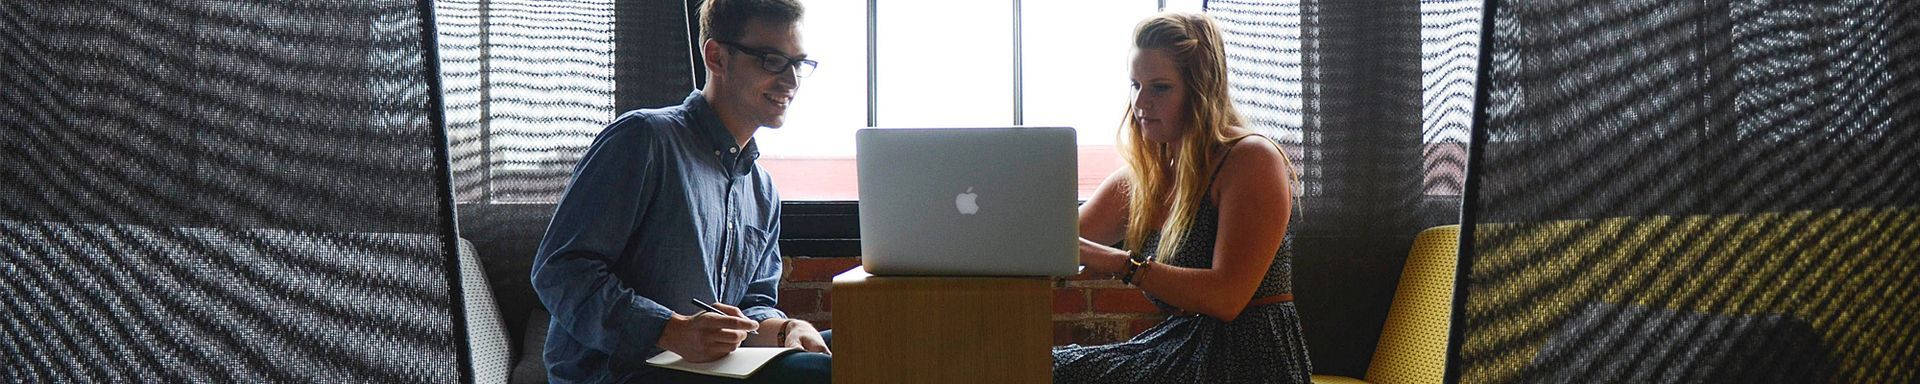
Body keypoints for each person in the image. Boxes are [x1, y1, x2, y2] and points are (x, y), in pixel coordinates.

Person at [530, 0, 829, 382]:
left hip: (708, 370)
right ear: (716, 57)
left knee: (859, 347)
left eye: (798, 64)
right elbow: (559, 270)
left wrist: (785, 329)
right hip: (618, 374)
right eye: (772, 60)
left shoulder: (762, 189)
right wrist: (669, 330)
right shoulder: (643, 139)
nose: (790, 81)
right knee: (825, 372)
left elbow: (754, 303)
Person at [1053, 12, 1312, 384]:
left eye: (1159, 88)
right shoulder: (1146, 179)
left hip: (1250, 360)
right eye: (1135, 85)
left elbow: (1227, 298)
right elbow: (1053, 243)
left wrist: (1117, 261)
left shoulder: (1251, 159)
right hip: (1181, 346)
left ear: (1200, 90)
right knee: (1038, 363)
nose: (1141, 103)